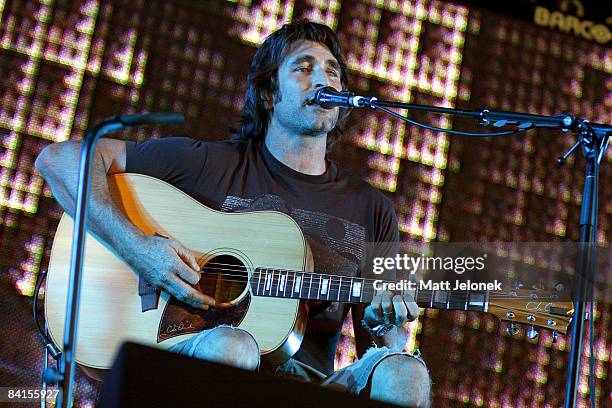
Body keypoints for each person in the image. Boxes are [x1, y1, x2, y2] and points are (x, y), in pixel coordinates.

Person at [35, 20, 431, 407]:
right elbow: (60, 160)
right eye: (303, 68)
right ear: (268, 94)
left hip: (308, 384)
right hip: (201, 358)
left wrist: (390, 322)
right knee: (234, 345)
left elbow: (381, 349)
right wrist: (138, 248)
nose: (323, 80)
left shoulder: (372, 208)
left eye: (332, 71)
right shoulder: (206, 163)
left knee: (405, 372)